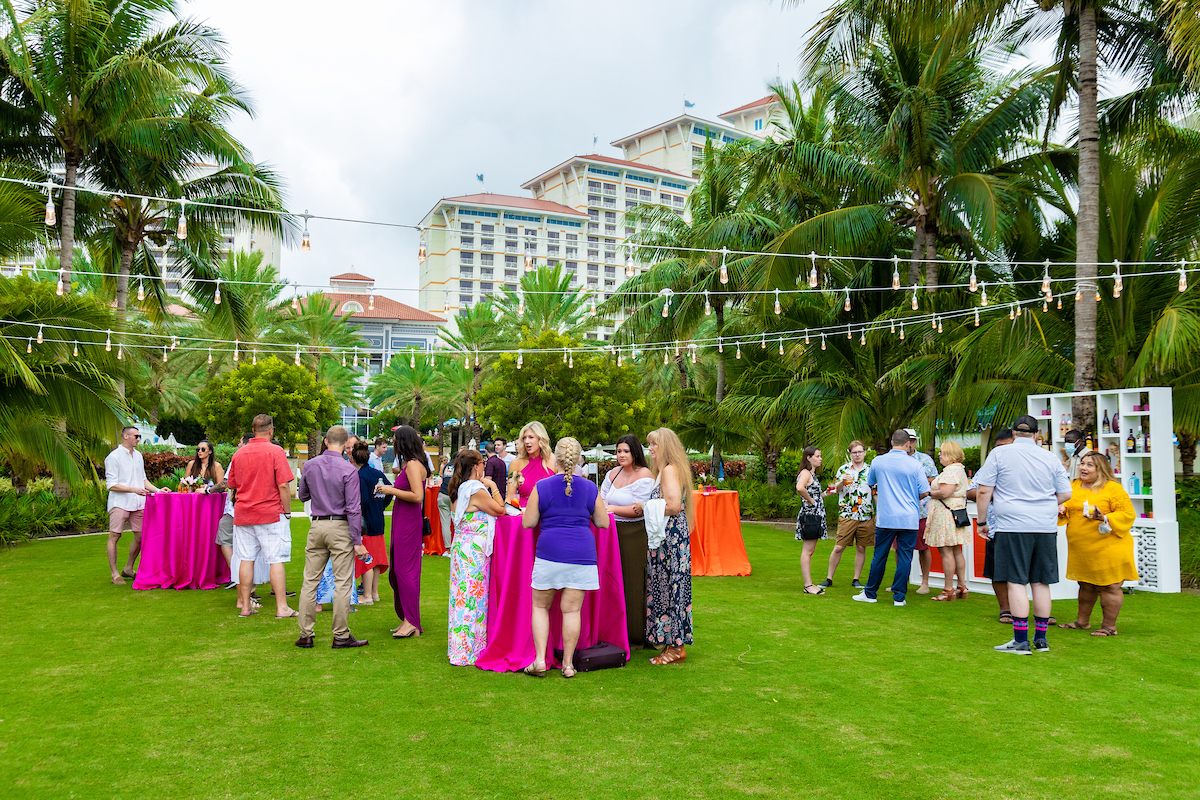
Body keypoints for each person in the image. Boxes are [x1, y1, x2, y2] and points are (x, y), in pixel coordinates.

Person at [974, 414, 1072, 655]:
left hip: (1013, 524)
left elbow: (984, 490)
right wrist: (1043, 504)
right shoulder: (1049, 457)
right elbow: (1066, 493)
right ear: (1037, 434)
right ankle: (1041, 639)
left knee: (1016, 581)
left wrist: (983, 521)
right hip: (1044, 526)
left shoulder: (999, 454)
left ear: (1013, 433)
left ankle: (1020, 640)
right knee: (1040, 581)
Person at [522, 437, 609, 678]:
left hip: (550, 553)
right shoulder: (590, 488)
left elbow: (528, 523)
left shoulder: (542, 485)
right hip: (581, 554)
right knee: (572, 611)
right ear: (579, 457)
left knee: (540, 606)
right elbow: (603, 522)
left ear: (555, 458)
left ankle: (540, 660)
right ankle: (568, 665)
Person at [294, 425, 369, 649]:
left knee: (310, 581)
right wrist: (358, 542)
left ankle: (306, 633)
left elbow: (302, 495)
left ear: (325, 441)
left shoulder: (310, 465)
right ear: (347, 445)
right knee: (343, 582)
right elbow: (354, 508)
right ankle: (341, 635)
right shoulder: (348, 470)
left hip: (317, 525)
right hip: (340, 527)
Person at [1057, 452, 1137, 636]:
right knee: (1085, 584)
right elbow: (1069, 506)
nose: (1083, 468)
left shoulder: (1113, 489)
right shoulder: (1074, 485)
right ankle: (1082, 622)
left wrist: (1104, 517)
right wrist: (1062, 508)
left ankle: (1109, 627)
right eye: (1082, 464)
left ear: (1101, 468)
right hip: (1082, 547)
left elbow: (1127, 514)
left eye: (1089, 465)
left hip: (1109, 546)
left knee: (1110, 586)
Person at [226, 414, 296, 619]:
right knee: (276, 559)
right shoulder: (275, 451)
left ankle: (246, 606)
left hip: (244, 513)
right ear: (271, 430)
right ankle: (282, 607)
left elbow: (232, 485)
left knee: (246, 559)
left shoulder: (239, 454)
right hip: (270, 512)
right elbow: (283, 484)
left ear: (253, 430)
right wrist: (287, 511)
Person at [638, 427, 695, 665]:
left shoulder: (670, 470)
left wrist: (644, 506)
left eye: (654, 445)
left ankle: (675, 646)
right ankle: (671, 643)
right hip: (669, 538)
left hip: (670, 539)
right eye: (649, 444)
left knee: (671, 588)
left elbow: (672, 506)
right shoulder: (667, 471)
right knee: (669, 587)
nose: (650, 449)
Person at [853, 429, 929, 607]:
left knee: (880, 555)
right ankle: (899, 597)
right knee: (905, 557)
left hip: (887, 517)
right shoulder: (915, 464)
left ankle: (870, 593)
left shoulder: (878, 461)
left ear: (892, 442)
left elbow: (870, 482)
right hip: (909, 517)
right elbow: (924, 491)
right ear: (908, 443)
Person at [446, 449, 505, 665]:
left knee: (462, 596)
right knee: (473, 598)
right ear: (477, 466)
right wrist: (493, 486)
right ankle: (469, 650)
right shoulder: (476, 490)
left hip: (463, 547)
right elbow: (500, 510)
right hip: (473, 551)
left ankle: (461, 646)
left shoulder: (458, 489)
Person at [599, 434, 656, 649]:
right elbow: (601, 499)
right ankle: (612, 631)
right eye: (619, 451)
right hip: (611, 531)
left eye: (626, 451)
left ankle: (635, 636)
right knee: (612, 581)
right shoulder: (613, 474)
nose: (621, 455)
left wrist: (612, 508)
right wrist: (607, 508)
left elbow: (638, 508)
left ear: (635, 453)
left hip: (634, 533)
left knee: (632, 582)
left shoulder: (644, 475)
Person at [377, 424, 429, 638]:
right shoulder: (410, 464)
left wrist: (391, 490)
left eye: (395, 440)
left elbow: (418, 496)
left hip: (408, 521)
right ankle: (408, 619)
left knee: (405, 570)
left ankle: (411, 622)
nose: (393, 444)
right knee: (399, 569)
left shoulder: (414, 465)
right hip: (403, 519)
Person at [104, 426, 171, 585]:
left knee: (141, 536)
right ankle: (114, 574)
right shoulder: (113, 457)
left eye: (139, 436)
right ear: (125, 436)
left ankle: (128, 568)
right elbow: (111, 485)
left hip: (138, 503)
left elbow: (143, 479)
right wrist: (132, 489)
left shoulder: (138, 456)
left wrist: (158, 490)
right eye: (136, 436)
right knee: (115, 536)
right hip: (119, 503)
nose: (138, 439)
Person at [967, 428, 1015, 623]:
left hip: (1027, 526)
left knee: (1032, 574)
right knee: (998, 571)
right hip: (997, 527)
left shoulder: (1031, 462)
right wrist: (997, 494)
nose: (1001, 451)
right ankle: (1005, 609)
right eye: (998, 448)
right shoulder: (992, 463)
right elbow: (971, 490)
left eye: (1006, 446)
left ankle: (1040, 612)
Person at [821, 441, 873, 590]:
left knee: (862, 548)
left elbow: (875, 491)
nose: (857, 455)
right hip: (847, 514)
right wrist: (841, 482)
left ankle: (856, 579)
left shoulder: (870, 470)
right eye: (854, 452)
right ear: (850, 454)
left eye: (860, 452)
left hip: (865, 515)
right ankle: (829, 578)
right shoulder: (843, 469)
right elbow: (834, 490)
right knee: (839, 547)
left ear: (864, 452)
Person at [925, 441, 970, 601]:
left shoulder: (951, 471)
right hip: (956, 513)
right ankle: (961, 586)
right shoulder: (959, 469)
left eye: (942, 452)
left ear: (950, 455)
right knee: (956, 550)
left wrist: (928, 493)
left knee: (946, 551)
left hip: (946, 515)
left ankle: (948, 589)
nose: (939, 454)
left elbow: (944, 492)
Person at [350, 442, 390, 604]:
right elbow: (389, 489)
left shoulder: (360, 476)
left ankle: (366, 595)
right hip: (378, 519)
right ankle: (374, 593)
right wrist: (381, 505)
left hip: (365, 523)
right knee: (375, 560)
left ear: (352, 459)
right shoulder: (377, 473)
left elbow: (362, 500)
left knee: (366, 559)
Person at [904, 429, 938, 595]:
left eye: (911, 440)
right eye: (905, 440)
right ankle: (901, 580)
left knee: (923, 547)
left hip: (921, 510)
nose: (908, 443)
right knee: (899, 547)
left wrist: (918, 481)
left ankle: (925, 582)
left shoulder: (924, 459)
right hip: (901, 510)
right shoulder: (895, 459)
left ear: (915, 442)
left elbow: (935, 479)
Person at [793, 446, 827, 595]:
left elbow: (816, 495)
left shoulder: (811, 474)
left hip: (815, 516)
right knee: (807, 551)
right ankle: (808, 585)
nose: (820, 459)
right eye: (818, 456)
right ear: (809, 458)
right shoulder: (805, 473)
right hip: (810, 516)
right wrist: (810, 500)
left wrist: (828, 492)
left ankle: (809, 585)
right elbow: (800, 488)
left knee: (810, 551)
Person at [507, 421, 556, 508]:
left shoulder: (554, 460)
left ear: (541, 439)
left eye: (531, 437)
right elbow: (511, 496)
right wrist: (516, 512)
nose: (526, 441)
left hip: (549, 514)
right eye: (524, 438)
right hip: (523, 514)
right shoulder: (515, 463)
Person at [436, 453, 457, 553]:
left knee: (445, 523)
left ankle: (448, 549)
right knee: (459, 521)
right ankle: (457, 545)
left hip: (442, 494)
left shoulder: (446, 466)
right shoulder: (460, 466)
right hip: (453, 495)